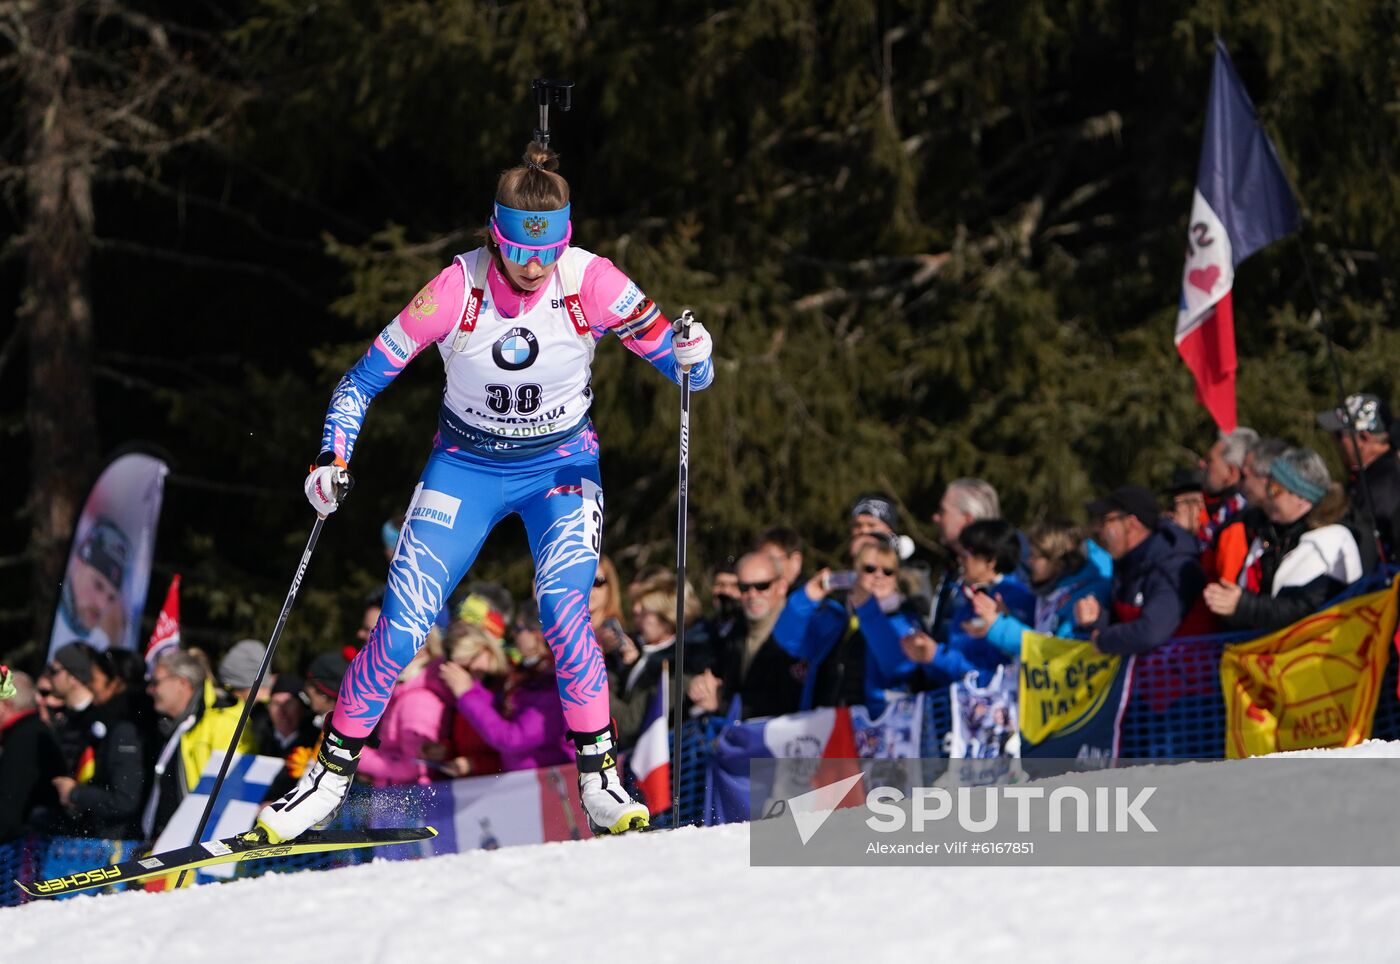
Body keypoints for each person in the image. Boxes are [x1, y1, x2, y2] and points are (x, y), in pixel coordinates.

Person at [258, 139, 714, 839]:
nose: (533, 268)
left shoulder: (590, 281)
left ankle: (599, 774)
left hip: (559, 469)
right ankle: (328, 775)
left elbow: (686, 371)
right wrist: (330, 458)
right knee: (404, 624)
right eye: (518, 252)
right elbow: (359, 383)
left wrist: (694, 353)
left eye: (548, 252)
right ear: (493, 237)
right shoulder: (454, 290)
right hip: (464, 469)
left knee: (564, 608)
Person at [1203, 448, 1364, 630]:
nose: (1266, 495)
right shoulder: (1269, 535)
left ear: (1302, 497)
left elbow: (1306, 609)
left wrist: (1244, 606)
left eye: (1274, 489)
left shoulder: (1330, 541)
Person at [1074, 485, 1210, 654]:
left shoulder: (1172, 566)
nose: (1098, 530)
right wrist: (1097, 618)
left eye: (1105, 521)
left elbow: (1150, 631)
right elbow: (1125, 625)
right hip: (1149, 676)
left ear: (1131, 524)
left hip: (1188, 673)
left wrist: (1103, 642)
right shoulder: (1128, 565)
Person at [900, 519, 1034, 686]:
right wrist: (926, 655)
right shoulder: (970, 597)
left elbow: (993, 676)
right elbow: (951, 667)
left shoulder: (1018, 601)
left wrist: (937, 655)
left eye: (966, 553)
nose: (960, 559)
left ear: (990, 561)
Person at [442, 601, 572, 772]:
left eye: (519, 629)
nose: (513, 634)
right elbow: (497, 711)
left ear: (537, 635)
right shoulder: (527, 674)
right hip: (524, 782)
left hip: (547, 785)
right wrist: (471, 690)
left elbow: (513, 739)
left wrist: (467, 694)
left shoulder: (552, 683)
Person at [142, 649, 256, 840]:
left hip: (199, 843)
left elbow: (233, 790)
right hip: (166, 841)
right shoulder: (175, 723)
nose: (150, 690)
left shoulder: (223, 720)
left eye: (156, 683)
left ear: (182, 683)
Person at [686, 552, 806, 720]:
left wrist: (721, 704)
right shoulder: (734, 634)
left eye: (762, 586)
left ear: (781, 586)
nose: (752, 595)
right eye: (744, 588)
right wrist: (702, 687)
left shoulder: (800, 634)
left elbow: (789, 703)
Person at [976, 520, 1112, 655]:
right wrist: (1007, 617)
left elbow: (1058, 652)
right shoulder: (1052, 591)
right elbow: (1040, 634)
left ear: (1056, 561)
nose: (1029, 561)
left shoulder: (1085, 597)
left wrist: (999, 627)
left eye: (1034, 556)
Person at [611, 578, 699, 749]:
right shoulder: (641, 652)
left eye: (645, 612)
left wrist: (598, 683)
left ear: (667, 619)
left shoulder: (676, 666)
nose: (636, 613)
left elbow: (629, 725)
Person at [1318, 393, 1400, 564]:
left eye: (1339, 435)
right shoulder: (1369, 475)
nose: (1334, 441)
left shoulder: (1383, 485)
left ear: (1364, 437)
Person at [0, 671, 66, 842]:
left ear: (6, 704)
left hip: (30, 851)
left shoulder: (24, 738)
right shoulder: (30, 731)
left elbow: (9, 810)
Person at [52, 517, 130, 653]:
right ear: (77, 564)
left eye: (111, 598)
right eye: (98, 585)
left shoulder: (101, 648)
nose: (102, 604)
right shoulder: (47, 614)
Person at [1200, 427, 1258, 543]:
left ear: (1232, 473)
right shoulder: (1222, 513)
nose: (1202, 464)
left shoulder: (1235, 524)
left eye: (1210, 461)